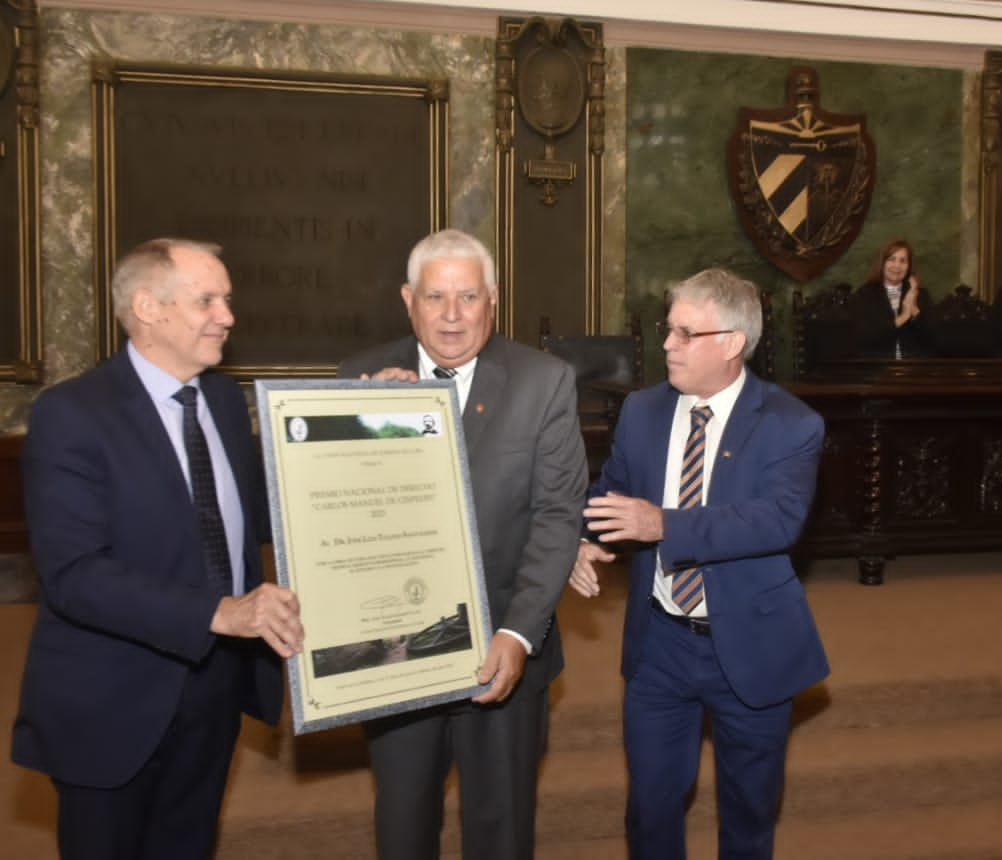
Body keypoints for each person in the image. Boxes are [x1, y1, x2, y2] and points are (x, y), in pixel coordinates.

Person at [11, 238, 304, 860]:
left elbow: (269, 513)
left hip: (214, 686)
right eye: (208, 300)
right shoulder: (72, 414)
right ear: (148, 307)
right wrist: (219, 612)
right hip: (114, 698)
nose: (227, 316)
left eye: (226, 299)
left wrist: (373, 406)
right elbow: (75, 576)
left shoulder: (222, 401)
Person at [337, 228, 588, 860]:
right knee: (402, 826)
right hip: (396, 651)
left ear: (493, 300)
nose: (452, 316)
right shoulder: (358, 379)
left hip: (502, 647)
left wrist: (519, 633)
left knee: (500, 829)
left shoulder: (545, 382)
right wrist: (372, 424)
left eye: (468, 297)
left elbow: (557, 516)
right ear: (408, 299)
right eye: (435, 297)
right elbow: (341, 518)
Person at [568, 268, 829, 860]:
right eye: (669, 329)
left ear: (732, 344)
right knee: (652, 808)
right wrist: (579, 537)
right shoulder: (642, 411)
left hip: (751, 646)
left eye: (686, 333)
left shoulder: (792, 424)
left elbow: (777, 520)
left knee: (749, 812)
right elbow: (609, 493)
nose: (667, 345)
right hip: (660, 645)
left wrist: (662, 524)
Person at [848, 239, 935, 358]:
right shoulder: (865, 294)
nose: (897, 266)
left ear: (909, 266)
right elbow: (864, 338)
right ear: (882, 263)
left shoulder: (921, 295)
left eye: (903, 261)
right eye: (892, 259)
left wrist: (914, 311)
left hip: (914, 369)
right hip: (877, 368)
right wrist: (903, 317)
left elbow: (934, 341)